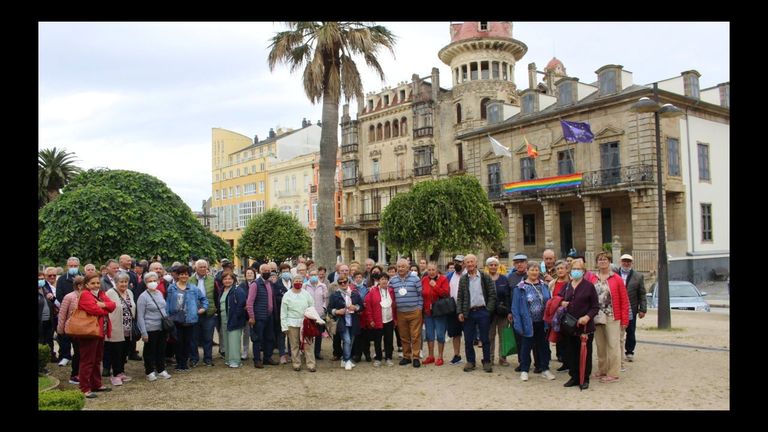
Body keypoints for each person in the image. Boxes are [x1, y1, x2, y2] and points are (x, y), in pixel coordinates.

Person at [586, 252, 630, 384]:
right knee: (600, 345)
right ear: (597, 262)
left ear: (609, 261)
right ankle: (602, 369)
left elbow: (624, 299)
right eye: (600, 259)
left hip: (612, 315)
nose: (602, 261)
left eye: (605, 259)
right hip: (597, 315)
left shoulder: (616, 279)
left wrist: (624, 319)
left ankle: (613, 372)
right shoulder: (592, 278)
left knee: (613, 344)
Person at [511, 261, 555, 381]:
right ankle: (524, 370)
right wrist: (517, 323)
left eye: (536, 270)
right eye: (532, 270)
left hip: (542, 322)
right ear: (527, 271)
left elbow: (549, 302)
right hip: (527, 322)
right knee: (526, 347)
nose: (534, 272)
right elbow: (515, 307)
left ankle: (545, 369)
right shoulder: (520, 287)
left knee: (544, 346)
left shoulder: (544, 285)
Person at [560, 258, 599, 390]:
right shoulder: (567, 285)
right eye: (574, 269)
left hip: (585, 327)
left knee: (585, 353)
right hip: (569, 326)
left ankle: (584, 378)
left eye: (579, 269)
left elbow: (595, 306)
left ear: (583, 271)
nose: (576, 271)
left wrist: (587, 317)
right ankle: (574, 376)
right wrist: (562, 303)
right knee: (571, 352)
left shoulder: (589, 286)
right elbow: (559, 299)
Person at [76, 274, 116, 398]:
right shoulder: (85, 295)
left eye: (97, 283)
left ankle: (96, 384)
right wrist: (105, 307)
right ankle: (84, 388)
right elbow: (94, 310)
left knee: (97, 360)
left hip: (100, 332)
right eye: (93, 283)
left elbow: (113, 305)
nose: (96, 285)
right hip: (89, 332)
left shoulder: (100, 294)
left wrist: (103, 305)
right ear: (87, 284)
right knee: (87, 361)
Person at [457, 254, 497, 373]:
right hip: (468, 312)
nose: (470, 264)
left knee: (485, 338)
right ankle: (471, 361)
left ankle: (486, 361)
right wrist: (459, 311)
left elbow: (492, 295)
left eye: (471, 262)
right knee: (468, 339)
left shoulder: (485, 277)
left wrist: (488, 310)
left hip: (482, 311)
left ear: (476, 263)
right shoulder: (463, 279)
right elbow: (460, 297)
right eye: (467, 262)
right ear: (465, 264)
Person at [166, 265, 209, 371]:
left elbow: (204, 299)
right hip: (176, 319)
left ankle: (184, 363)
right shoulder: (172, 288)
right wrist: (167, 316)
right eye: (181, 274)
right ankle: (179, 363)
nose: (184, 276)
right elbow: (167, 302)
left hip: (190, 319)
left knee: (188, 342)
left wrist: (203, 309)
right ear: (178, 275)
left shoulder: (194, 288)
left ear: (189, 275)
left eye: (186, 274)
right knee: (178, 342)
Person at [136, 271, 172, 381]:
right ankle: (149, 371)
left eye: (154, 280)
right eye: (149, 281)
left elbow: (163, 308)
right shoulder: (143, 297)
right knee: (149, 351)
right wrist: (143, 332)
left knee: (161, 349)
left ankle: (161, 369)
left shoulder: (159, 293)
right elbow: (140, 316)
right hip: (150, 327)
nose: (152, 283)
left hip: (161, 326)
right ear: (145, 283)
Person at [390, 258, 424, 367]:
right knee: (403, 336)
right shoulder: (393, 280)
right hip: (400, 312)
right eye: (399, 267)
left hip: (414, 311)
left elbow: (421, 294)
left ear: (408, 267)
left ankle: (416, 357)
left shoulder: (415, 279)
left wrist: (419, 308)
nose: (400, 269)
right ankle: (406, 356)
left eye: (403, 266)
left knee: (415, 336)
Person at [105, 273, 136, 386]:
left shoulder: (130, 292)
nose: (123, 284)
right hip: (116, 327)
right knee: (116, 351)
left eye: (125, 282)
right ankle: (115, 374)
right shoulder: (110, 293)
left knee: (124, 351)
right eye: (121, 282)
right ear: (116, 283)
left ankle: (121, 372)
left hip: (128, 327)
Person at [281, 274, 317, 372]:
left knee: (308, 344)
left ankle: (311, 364)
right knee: (294, 344)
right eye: (296, 281)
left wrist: (312, 319)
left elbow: (312, 307)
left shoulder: (306, 294)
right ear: (292, 282)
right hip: (292, 323)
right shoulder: (287, 295)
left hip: (305, 323)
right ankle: (296, 363)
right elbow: (283, 312)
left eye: (300, 281)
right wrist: (284, 326)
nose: (298, 283)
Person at [328, 276, 363, 370]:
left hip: (353, 321)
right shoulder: (335, 295)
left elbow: (362, 306)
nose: (343, 284)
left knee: (350, 341)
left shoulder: (355, 293)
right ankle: (347, 360)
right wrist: (337, 311)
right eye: (340, 282)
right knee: (347, 340)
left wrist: (356, 308)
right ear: (338, 284)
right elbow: (329, 309)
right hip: (341, 321)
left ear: (348, 282)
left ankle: (344, 359)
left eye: (345, 282)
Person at [363, 272, 397, 367]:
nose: (384, 281)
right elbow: (368, 307)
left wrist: (395, 318)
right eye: (382, 279)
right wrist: (371, 320)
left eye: (386, 279)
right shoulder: (372, 292)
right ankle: (378, 358)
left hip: (389, 320)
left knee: (389, 340)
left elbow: (394, 306)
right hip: (378, 320)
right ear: (378, 281)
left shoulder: (391, 291)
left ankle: (388, 358)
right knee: (378, 341)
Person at [189, 259, 218, 367]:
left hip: (209, 313)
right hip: (194, 313)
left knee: (208, 337)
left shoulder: (212, 280)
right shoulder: (190, 280)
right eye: (200, 267)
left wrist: (215, 309)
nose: (202, 269)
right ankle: (194, 358)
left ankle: (208, 358)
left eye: (204, 267)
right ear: (195, 268)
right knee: (193, 338)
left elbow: (216, 295)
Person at [57, 275, 85, 385]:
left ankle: (82, 373)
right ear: (79, 286)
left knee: (84, 353)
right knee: (78, 352)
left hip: (85, 328)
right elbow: (62, 314)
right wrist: (60, 329)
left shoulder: (88, 296)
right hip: (73, 329)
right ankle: (74, 375)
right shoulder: (69, 297)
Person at [619, 254, 646, 362]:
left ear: (631, 263)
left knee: (630, 331)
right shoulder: (615, 274)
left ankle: (629, 351)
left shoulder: (638, 276)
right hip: (617, 306)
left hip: (631, 307)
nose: (626, 263)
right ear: (621, 262)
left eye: (628, 261)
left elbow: (642, 294)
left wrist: (642, 309)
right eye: (624, 261)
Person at [421, 262, 449, 366]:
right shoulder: (424, 280)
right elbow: (422, 294)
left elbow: (446, 293)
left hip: (440, 312)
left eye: (433, 270)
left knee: (440, 335)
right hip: (428, 312)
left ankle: (440, 357)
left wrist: (435, 286)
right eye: (429, 270)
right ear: (427, 270)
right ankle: (430, 356)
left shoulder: (443, 279)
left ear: (437, 270)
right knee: (429, 335)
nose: (431, 272)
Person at [485, 257, 511, 367]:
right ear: (487, 266)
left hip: (502, 312)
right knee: (490, 336)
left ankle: (502, 358)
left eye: (495, 265)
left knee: (503, 335)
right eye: (491, 265)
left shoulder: (504, 279)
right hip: (489, 312)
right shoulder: (484, 279)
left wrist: (509, 311)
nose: (493, 267)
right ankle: (490, 358)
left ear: (498, 266)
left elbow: (507, 296)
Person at [56, 257, 82, 366]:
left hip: (81, 312)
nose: (73, 268)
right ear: (67, 266)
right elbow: (59, 295)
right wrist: (69, 303)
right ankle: (65, 356)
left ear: (79, 266)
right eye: (71, 266)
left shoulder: (84, 278)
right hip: (67, 311)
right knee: (65, 336)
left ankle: (79, 356)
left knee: (80, 338)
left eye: (75, 266)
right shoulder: (62, 279)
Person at [220, 271, 247, 368]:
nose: (227, 281)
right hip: (224, 318)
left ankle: (235, 361)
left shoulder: (237, 290)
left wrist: (236, 316)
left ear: (233, 280)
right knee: (227, 340)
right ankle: (228, 359)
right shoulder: (222, 289)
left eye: (229, 279)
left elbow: (242, 304)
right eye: (225, 279)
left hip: (234, 319)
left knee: (234, 340)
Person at [303, 269, 328, 360]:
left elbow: (325, 299)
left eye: (315, 274)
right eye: (311, 274)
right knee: (309, 334)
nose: (313, 276)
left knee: (318, 334)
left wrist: (324, 308)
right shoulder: (305, 286)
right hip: (309, 314)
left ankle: (317, 352)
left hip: (320, 314)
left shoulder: (323, 286)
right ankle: (308, 353)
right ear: (308, 275)